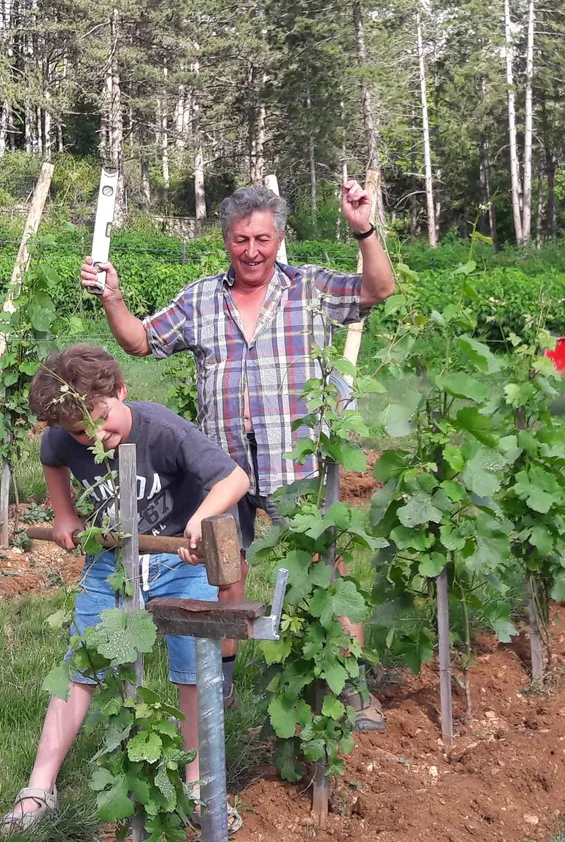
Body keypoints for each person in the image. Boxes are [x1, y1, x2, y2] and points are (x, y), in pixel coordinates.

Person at [80, 179, 395, 729]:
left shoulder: (311, 288)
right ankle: (218, 686)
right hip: (221, 468)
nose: (253, 250)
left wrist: (363, 228)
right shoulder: (201, 298)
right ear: (226, 239)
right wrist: (113, 295)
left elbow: (378, 289)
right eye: (242, 239)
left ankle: (350, 684)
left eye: (264, 239)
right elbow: (138, 340)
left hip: (294, 463)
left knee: (325, 565)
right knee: (225, 569)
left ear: (280, 239)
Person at [0, 345, 250, 833]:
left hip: (180, 561)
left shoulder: (163, 428)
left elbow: (233, 478)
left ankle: (196, 785)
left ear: (121, 391)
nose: (96, 436)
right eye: (80, 432)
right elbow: (51, 458)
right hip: (112, 562)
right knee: (85, 663)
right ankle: (39, 787)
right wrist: (64, 514)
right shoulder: (62, 436)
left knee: (191, 670)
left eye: (102, 419)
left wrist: (198, 521)